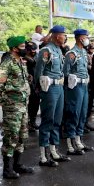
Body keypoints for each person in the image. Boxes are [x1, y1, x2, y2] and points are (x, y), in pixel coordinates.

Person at [0, 36, 35, 179]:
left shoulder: (21, 62)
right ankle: (7, 169)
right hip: (13, 106)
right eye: (22, 47)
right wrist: (11, 97)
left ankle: (18, 164)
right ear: (14, 49)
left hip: (23, 105)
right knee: (11, 136)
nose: (25, 49)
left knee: (22, 136)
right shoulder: (7, 63)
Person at [34, 25, 70, 165]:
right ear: (56, 36)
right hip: (49, 88)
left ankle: (54, 151)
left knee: (57, 120)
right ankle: (43, 156)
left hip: (59, 87)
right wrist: (39, 88)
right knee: (47, 120)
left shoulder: (58, 50)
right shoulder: (46, 50)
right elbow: (38, 71)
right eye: (63, 34)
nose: (65, 37)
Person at [63, 29, 92, 156]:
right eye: (86, 37)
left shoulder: (83, 52)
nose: (87, 39)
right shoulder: (71, 53)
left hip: (84, 85)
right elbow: (65, 71)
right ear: (80, 38)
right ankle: (70, 144)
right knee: (74, 113)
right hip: (75, 87)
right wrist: (71, 79)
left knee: (83, 113)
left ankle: (79, 141)